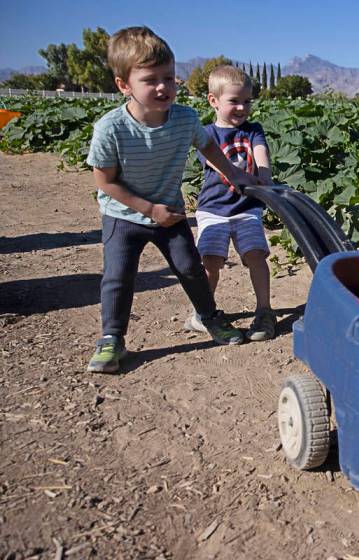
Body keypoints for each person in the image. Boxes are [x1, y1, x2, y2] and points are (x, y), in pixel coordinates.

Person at [85, 26, 264, 373]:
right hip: (124, 215)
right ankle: (111, 339)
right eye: (150, 80)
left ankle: (209, 318)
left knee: (191, 269)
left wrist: (235, 173)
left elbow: (209, 147)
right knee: (119, 276)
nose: (163, 87)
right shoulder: (111, 128)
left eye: (169, 77)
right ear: (124, 85)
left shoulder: (185, 119)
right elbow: (104, 181)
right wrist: (148, 209)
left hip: (170, 213)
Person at [183, 65, 276, 341]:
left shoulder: (253, 130)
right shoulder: (206, 134)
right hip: (213, 210)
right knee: (212, 261)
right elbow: (217, 163)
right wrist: (242, 176)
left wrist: (265, 178)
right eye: (233, 101)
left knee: (255, 255)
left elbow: (261, 154)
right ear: (213, 101)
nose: (241, 108)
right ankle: (203, 313)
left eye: (247, 101)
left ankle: (264, 311)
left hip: (247, 209)